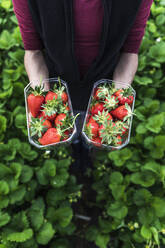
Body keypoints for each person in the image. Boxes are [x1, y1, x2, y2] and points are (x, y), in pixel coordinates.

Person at [12, 0, 153, 166]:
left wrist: (115, 103)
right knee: (70, 133)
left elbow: (129, 53)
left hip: (106, 86)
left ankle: (87, 151)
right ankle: (75, 148)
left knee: (91, 136)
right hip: (56, 86)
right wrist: (41, 98)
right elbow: (33, 51)